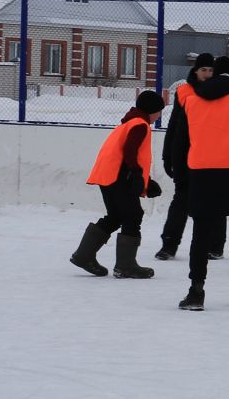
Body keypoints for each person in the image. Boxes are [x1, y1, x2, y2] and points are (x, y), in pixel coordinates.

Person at [173, 56, 229, 310]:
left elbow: (181, 145)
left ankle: (196, 292)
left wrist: (182, 181)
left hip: (201, 176)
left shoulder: (191, 102)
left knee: (200, 234)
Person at [70, 90, 166, 279]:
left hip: (108, 176)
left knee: (116, 216)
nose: (160, 115)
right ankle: (126, 266)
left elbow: (126, 155)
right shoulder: (140, 125)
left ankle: (84, 255)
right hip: (118, 177)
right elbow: (130, 151)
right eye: (159, 111)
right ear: (152, 110)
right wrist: (137, 174)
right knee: (133, 215)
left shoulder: (129, 122)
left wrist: (145, 181)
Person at [156, 53, 224, 262]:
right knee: (181, 201)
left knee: (214, 202)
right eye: (203, 69)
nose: (207, 74)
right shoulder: (184, 91)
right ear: (195, 70)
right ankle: (169, 245)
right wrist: (168, 156)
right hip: (186, 156)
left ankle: (215, 246)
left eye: (210, 70)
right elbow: (174, 125)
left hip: (212, 156)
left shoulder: (220, 92)